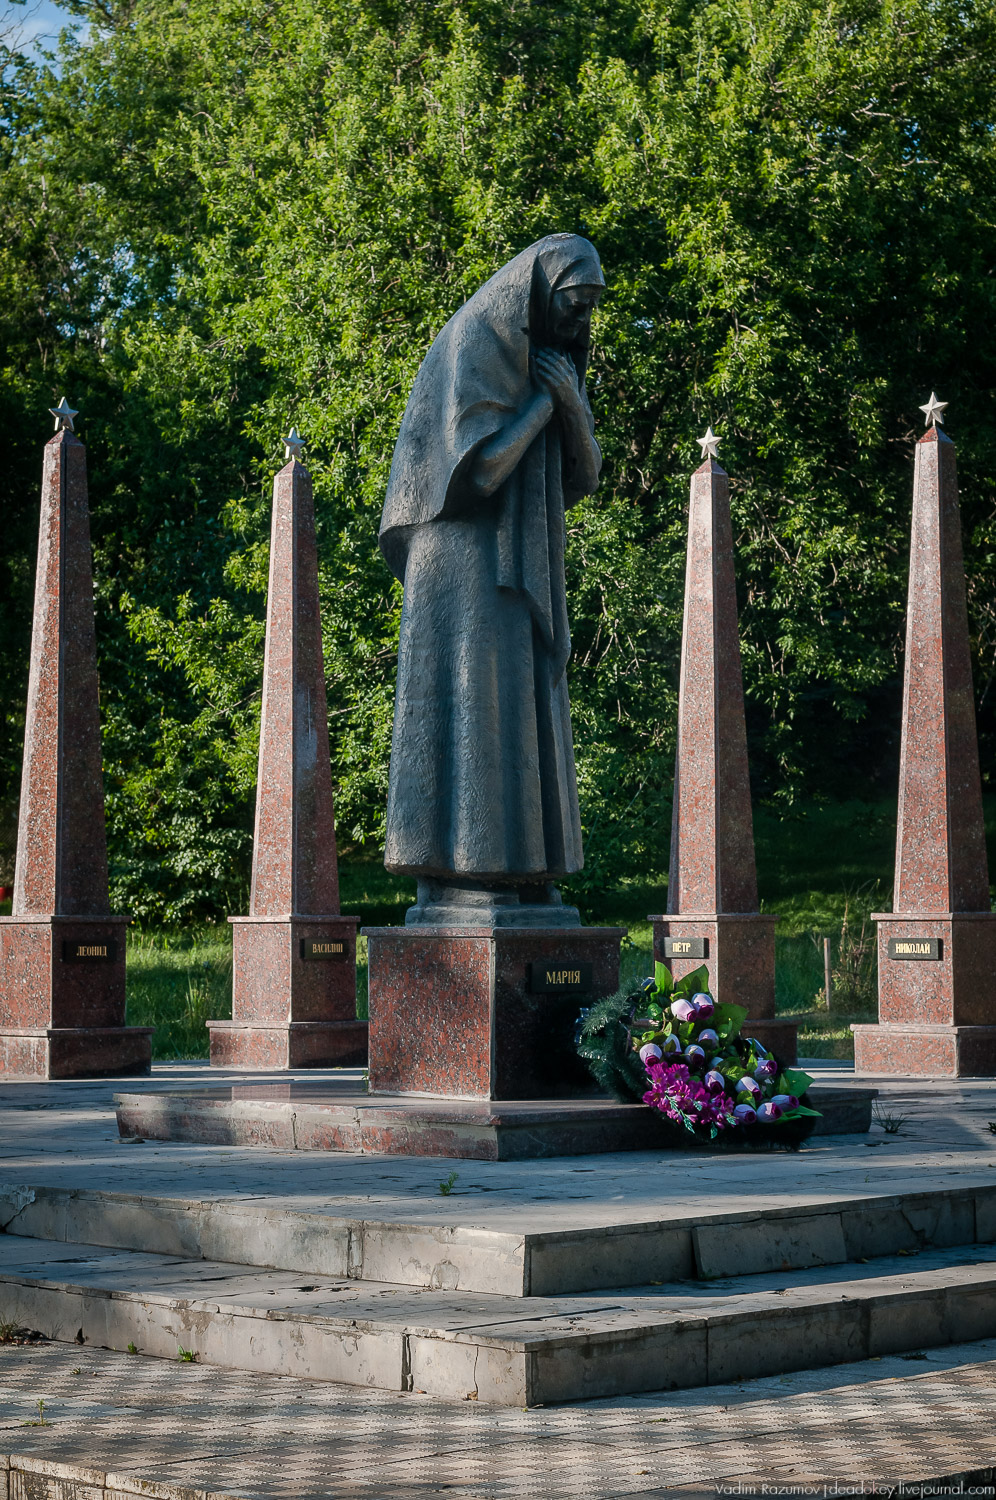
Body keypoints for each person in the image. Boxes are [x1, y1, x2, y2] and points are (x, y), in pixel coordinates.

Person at [379, 233, 605, 925]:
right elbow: (476, 472)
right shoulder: (474, 341)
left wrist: (567, 402)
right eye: (573, 305)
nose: (580, 323)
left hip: (516, 556)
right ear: (539, 290)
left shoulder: (553, 360)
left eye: (590, 309)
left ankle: (530, 869)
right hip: (460, 557)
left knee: (522, 700)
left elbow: (586, 474)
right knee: (473, 702)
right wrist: (544, 403)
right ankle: (465, 873)